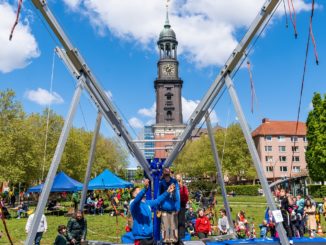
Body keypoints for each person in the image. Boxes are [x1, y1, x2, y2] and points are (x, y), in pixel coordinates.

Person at [130, 178, 175, 245]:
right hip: (141, 239)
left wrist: (167, 191)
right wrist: (145, 189)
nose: (141, 192)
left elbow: (157, 201)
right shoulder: (134, 205)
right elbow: (138, 199)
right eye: (139, 191)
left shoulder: (146, 203)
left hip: (150, 237)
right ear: (134, 195)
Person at [159, 168, 180, 244]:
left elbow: (177, 196)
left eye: (168, 175)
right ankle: (165, 240)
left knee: (173, 225)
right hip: (164, 208)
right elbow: (159, 195)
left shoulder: (174, 182)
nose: (167, 177)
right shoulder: (161, 183)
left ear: (170, 174)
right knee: (165, 225)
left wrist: (178, 207)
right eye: (165, 175)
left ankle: (173, 240)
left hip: (173, 208)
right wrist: (158, 207)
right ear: (164, 175)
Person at [176, 174, 188, 244]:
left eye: (179, 179)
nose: (178, 181)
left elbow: (186, 197)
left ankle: (181, 238)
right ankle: (176, 237)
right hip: (175, 206)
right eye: (177, 179)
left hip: (181, 205)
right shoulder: (173, 187)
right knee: (175, 222)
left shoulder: (183, 188)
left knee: (181, 222)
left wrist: (181, 186)